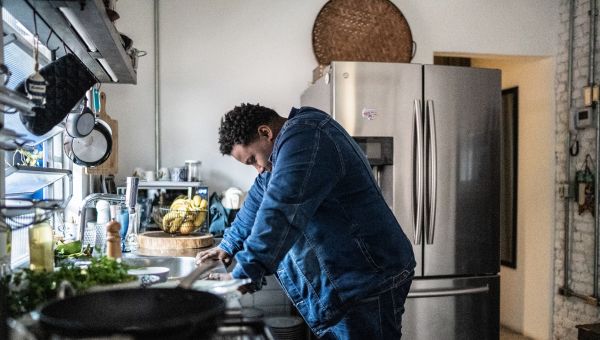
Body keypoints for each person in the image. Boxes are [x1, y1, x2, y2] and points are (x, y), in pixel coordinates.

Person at [197, 103, 415, 339]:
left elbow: (281, 209)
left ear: (265, 132)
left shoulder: (306, 137)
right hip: (348, 283)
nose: (258, 169)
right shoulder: (283, 151)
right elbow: (258, 199)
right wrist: (228, 244)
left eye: (253, 160)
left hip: (367, 282)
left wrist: (245, 273)